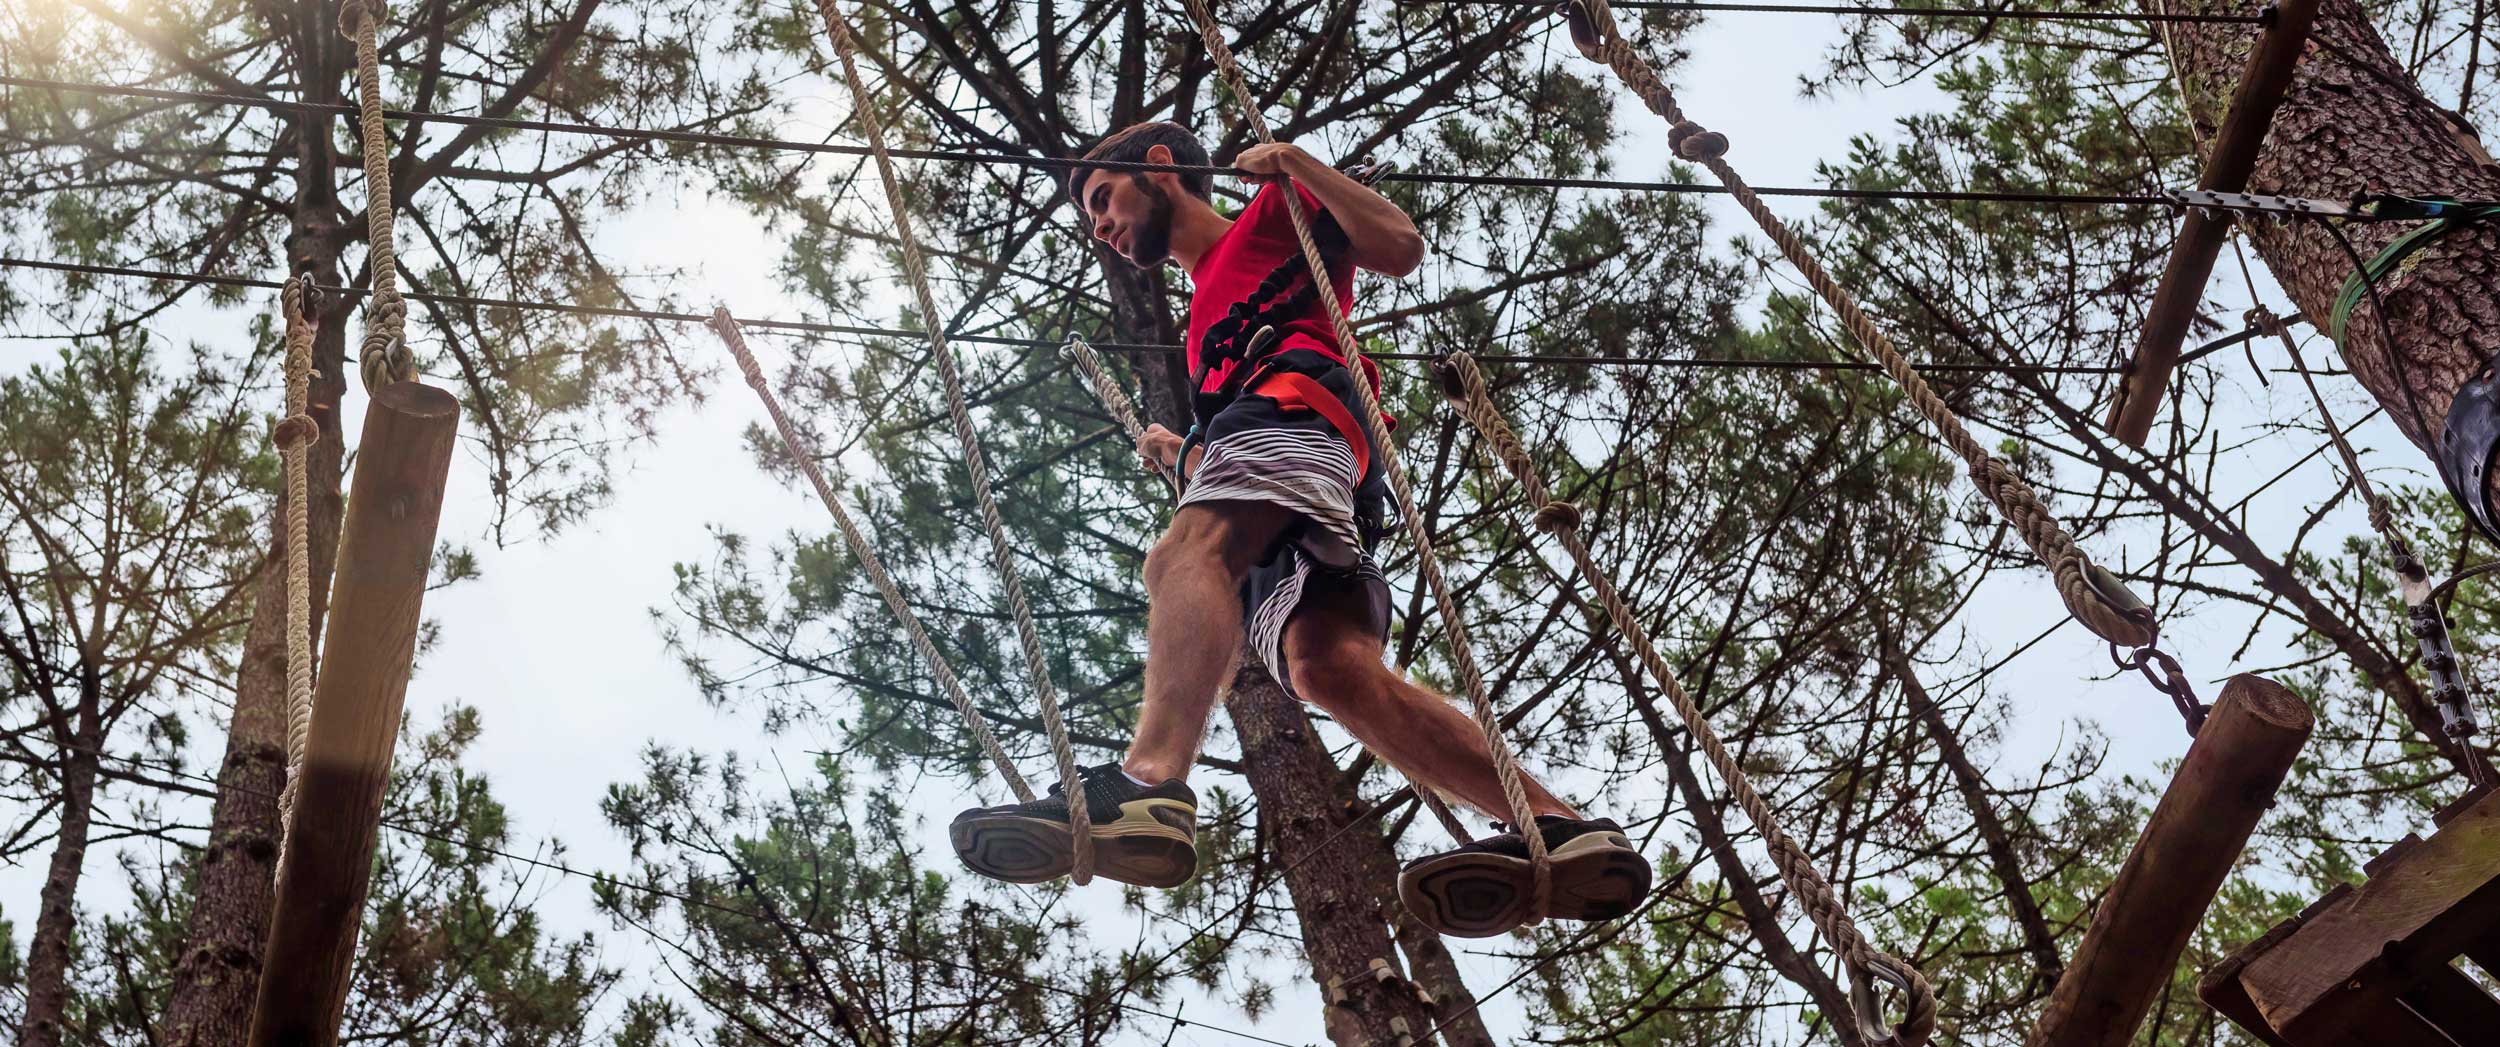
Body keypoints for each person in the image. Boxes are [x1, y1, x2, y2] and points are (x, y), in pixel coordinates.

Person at [948, 121, 1651, 937]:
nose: (1099, 225)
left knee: (1187, 551)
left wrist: (1293, 163)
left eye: (1103, 197)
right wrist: (1189, 454)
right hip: (1316, 454)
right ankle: (1558, 824)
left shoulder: (1268, 216)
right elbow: (1251, 404)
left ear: (1161, 168)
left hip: (1298, 412)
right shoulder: (1205, 307)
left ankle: (1148, 782)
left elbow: (1395, 245)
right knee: (1326, 668)